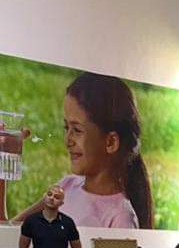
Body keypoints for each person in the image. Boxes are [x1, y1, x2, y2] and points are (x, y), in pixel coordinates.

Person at [14, 73, 153, 229]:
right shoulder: (65, 188)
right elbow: (9, 230)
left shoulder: (120, 218)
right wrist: (6, 152)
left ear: (111, 142)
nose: (67, 140)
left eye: (77, 130)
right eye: (66, 128)